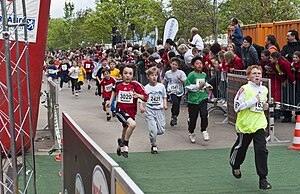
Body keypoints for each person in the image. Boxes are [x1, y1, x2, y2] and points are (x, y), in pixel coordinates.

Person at [229, 65, 271, 190]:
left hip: (259, 124)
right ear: (248, 76)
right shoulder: (244, 89)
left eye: (259, 73)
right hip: (245, 126)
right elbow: (237, 107)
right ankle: (235, 165)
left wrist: (265, 106)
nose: (257, 75)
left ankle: (263, 179)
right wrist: (253, 100)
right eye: (254, 73)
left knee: (261, 150)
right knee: (241, 148)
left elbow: (262, 104)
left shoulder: (264, 89)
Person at [106, 64, 148, 158]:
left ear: (133, 75)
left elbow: (145, 97)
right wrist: (110, 101)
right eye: (125, 73)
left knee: (126, 128)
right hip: (120, 110)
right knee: (132, 124)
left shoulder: (136, 85)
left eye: (130, 73)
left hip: (131, 111)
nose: (127, 75)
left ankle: (120, 143)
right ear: (122, 74)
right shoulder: (118, 84)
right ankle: (125, 144)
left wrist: (138, 95)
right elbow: (113, 91)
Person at [139, 66, 168, 154]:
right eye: (152, 75)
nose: (154, 77)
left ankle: (153, 134)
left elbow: (164, 96)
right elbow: (141, 99)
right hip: (150, 110)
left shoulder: (161, 86)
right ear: (148, 77)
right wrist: (141, 106)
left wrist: (165, 104)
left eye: (156, 75)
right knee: (153, 130)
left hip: (159, 110)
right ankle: (154, 145)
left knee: (161, 130)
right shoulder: (146, 88)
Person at [185, 57, 212, 142]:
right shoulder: (191, 75)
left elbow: (204, 82)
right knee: (193, 118)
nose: (199, 65)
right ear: (193, 66)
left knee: (204, 114)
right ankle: (191, 132)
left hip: (203, 97)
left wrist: (208, 86)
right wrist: (197, 87)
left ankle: (204, 130)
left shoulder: (203, 74)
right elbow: (187, 86)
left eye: (200, 63)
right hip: (193, 100)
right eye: (197, 63)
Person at [270, 52, 296, 122]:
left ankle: (293, 114)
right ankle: (287, 115)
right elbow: (276, 73)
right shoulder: (272, 64)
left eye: (271, 58)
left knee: (291, 97)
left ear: (275, 59)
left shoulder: (284, 63)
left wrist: (293, 80)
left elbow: (289, 72)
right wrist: (282, 80)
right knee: (284, 97)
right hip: (284, 79)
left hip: (289, 79)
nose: (270, 59)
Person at [162, 57, 187, 126]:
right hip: (171, 91)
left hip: (179, 91)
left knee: (177, 104)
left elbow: (185, 81)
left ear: (178, 66)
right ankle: (173, 116)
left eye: (175, 65)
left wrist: (180, 79)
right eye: (173, 64)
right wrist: (161, 85)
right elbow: (165, 80)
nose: (174, 66)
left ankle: (175, 116)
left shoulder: (181, 73)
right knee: (175, 102)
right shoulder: (168, 73)